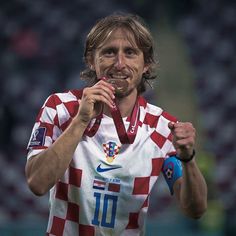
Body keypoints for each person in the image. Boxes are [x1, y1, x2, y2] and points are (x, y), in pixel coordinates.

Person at [25, 13, 207, 236]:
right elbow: (37, 183)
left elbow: (195, 209)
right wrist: (80, 121)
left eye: (130, 53)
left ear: (146, 64)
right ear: (92, 60)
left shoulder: (163, 128)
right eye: (109, 52)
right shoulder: (60, 108)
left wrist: (188, 158)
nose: (119, 64)